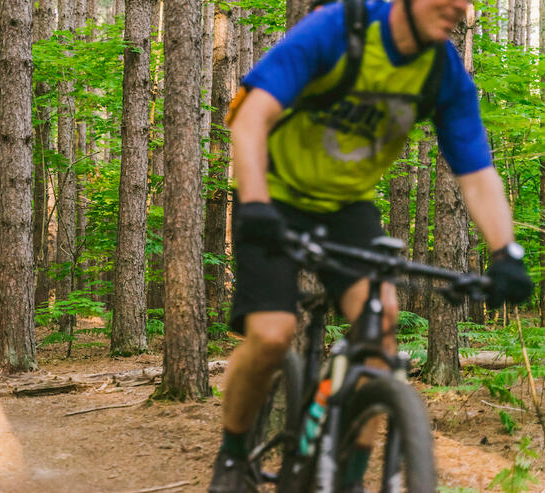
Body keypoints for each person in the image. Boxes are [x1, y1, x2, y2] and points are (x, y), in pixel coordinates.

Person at [208, 0, 533, 491]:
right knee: (273, 335)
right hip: (273, 193)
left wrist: (506, 252)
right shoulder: (340, 29)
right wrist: (253, 205)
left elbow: (476, 171)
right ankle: (233, 454)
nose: (459, 8)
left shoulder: (441, 73)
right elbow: (252, 115)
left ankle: (351, 479)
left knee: (380, 336)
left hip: (346, 207)